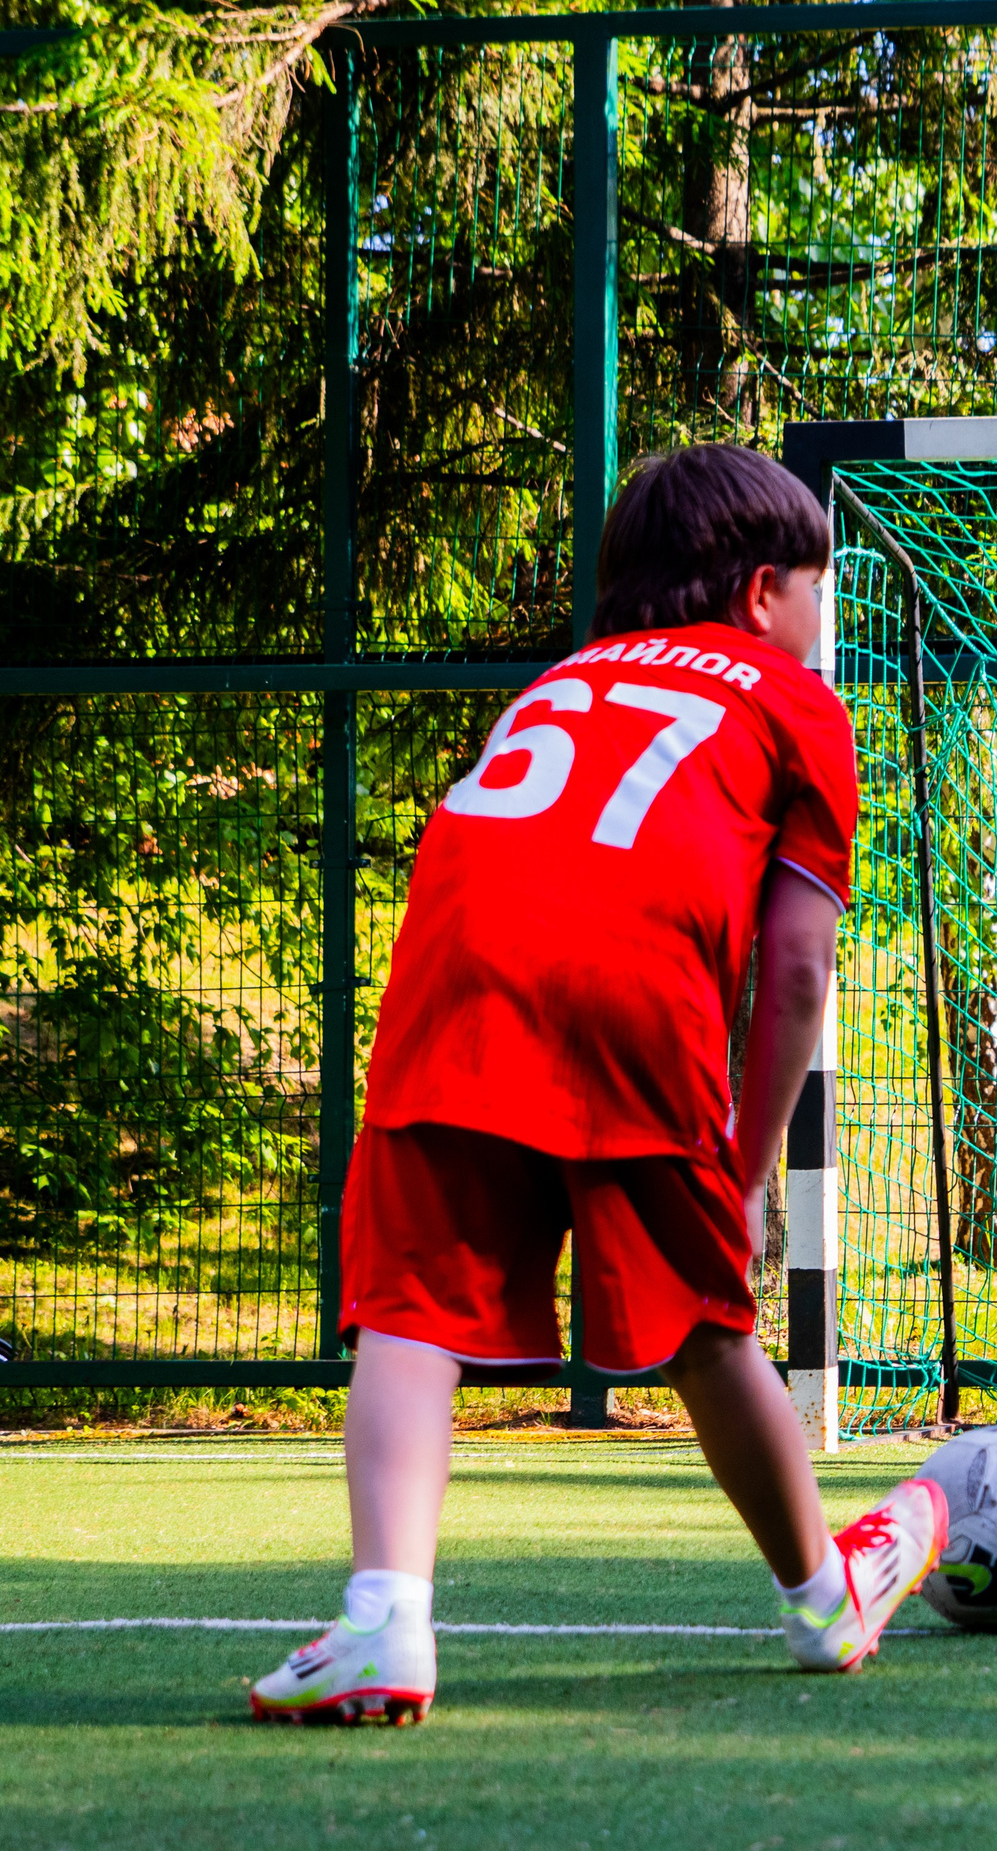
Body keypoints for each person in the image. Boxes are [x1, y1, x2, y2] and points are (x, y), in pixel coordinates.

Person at [250, 444, 945, 1725]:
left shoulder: (557, 681)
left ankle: (384, 1621)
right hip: (631, 989)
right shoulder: (797, 703)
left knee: (410, 1316)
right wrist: (742, 1173)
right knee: (702, 1325)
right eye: (820, 586)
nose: (823, 615)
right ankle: (819, 1598)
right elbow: (796, 975)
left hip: (451, 981)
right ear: (757, 593)